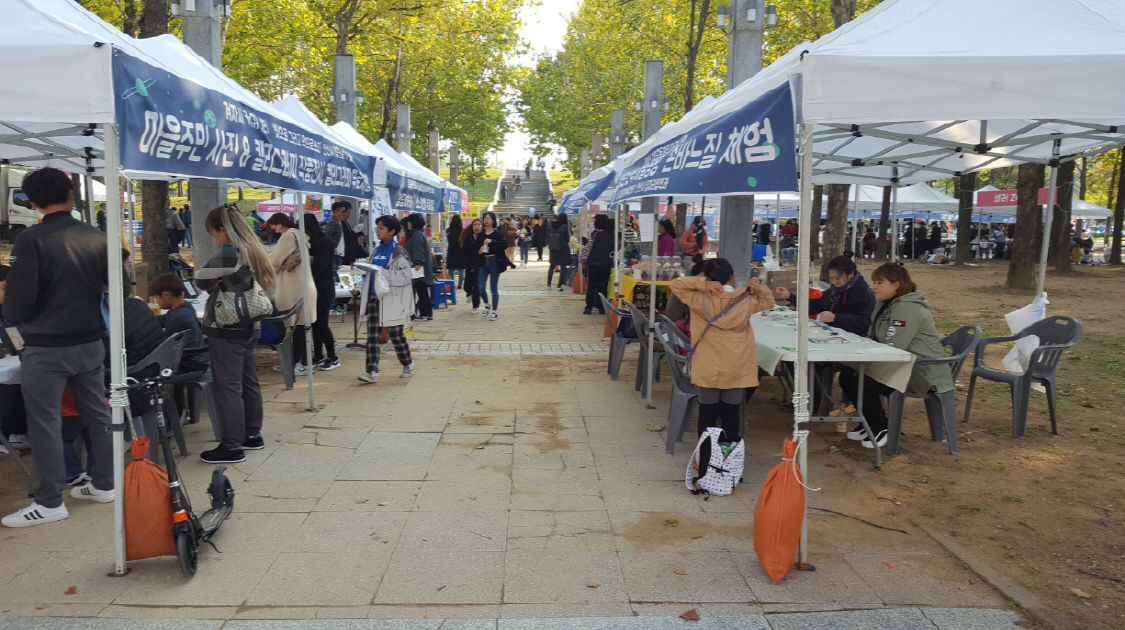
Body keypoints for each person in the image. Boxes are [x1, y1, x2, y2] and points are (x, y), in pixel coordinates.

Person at [2, 168, 117, 527]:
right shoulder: (98, 236)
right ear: (71, 194)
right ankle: (104, 484)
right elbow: (118, 286)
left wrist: (13, 318)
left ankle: (50, 502)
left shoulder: (30, 239)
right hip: (90, 341)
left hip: (46, 346)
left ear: (33, 202)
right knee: (97, 414)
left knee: (45, 422)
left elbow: (17, 302)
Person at [838, 263, 954, 449]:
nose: (874, 286)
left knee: (864, 382)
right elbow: (873, 336)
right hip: (901, 364)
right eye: (874, 282)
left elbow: (895, 345)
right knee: (847, 375)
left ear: (896, 285)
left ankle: (883, 427)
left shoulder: (907, 308)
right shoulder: (884, 304)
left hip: (921, 372)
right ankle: (870, 421)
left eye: (880, 282)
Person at [195, 204, 277, 464]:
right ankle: (251, 434)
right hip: (250, 325)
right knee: (248, 382)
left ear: (222, 229)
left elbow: (201, 279)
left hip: (227, 327)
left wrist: (215, 282)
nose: (215, 239)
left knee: (228, 387)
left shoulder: (230, 250)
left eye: (214, 233)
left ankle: (231, 445)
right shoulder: (253, 248)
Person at [670, 258, 775, 442]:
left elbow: (676, 284)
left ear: (706, 277)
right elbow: (769, 301)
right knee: (731, 412)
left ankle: (706, 462)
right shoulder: (746, 298)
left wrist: (702, 283)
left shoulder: (697, 298)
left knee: (707, 413)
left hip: (706, 364)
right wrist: (758, 287)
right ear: (732, 277)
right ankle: (728, 462)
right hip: (736, 365)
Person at [355, 215, 415, 383]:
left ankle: (408, 363)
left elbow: (405, 277)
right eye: (377, 228)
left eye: (381, 228)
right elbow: (369, 274)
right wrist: (359, 290)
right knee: (372, 336)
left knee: (396, 335)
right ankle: (372, 371)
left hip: (392, 299)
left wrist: (381, 272)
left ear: (392, 231)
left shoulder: (398, 252)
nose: (377, 231)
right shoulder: (375, 250)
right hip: (375, 299)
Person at [266, 213, 317, 374]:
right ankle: (300, 362)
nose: (272, 230)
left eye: (272, 226)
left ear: (278, 224)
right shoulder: (299, 236)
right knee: (302, 329)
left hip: (294, 289)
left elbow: (274, 261)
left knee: (297, 329)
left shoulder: (288, 237)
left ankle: (300, 364)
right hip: (303, 287)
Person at [775, 256, 874, 336]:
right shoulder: (833, 292)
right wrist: (789, 296)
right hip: (832, 336)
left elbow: (865, 323)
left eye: (838, 278)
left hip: (853, 339)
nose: (835, 282)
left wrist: (835, 318)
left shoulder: (864, 293)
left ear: (851, 274)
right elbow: (815, 306)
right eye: (831, 278)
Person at [302, 214, 339, 370]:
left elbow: (319, 267)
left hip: (323, 290)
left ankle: (333, 357)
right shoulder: (313, 243)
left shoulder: (323, 243)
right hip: (315, 289)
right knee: (315, 324)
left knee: (322, 324)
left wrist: (305, 265)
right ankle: (318, 355)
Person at [468, 211, 507, 320]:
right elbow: (474, 249)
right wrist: (479, 252)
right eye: (485, 218)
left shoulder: (497, 234)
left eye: (488, 218)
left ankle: (494, 311)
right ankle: (487, 304)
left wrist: (492, 241)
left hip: (494, 262)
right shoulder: (481, 235)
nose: (486, 220)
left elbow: (504, 244)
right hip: (483, 263)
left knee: (493, 289)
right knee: (481, 287)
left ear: (493, 220)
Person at [403, 213, 435, 321]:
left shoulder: (416, 234)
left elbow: (418, 250)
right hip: (417, 267)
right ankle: (422, 313)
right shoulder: (419, 233)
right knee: (421, 291)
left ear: (411, 223)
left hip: (417, 268)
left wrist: (418, 263)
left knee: (420, 291)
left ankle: (425, 313)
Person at [582, 214, 614, 315]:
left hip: (593, 263)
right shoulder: (612, 236)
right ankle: (601, 307)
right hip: (605, 264)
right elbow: (613, 250)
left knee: (591, 286)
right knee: (603, 286)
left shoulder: (595, 235)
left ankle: (588, 307)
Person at [324, 201, 361, 266]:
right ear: (337, 211)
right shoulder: (333, 223)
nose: (345, 214)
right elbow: (327, 237)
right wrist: (333, 248)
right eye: (343, 211)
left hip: (341, 254)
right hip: (337, 254)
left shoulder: (340, 222)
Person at [459, 218, 485, 312]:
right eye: (474, 225)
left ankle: (475, 306)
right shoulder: (468, 238)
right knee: (467, 285)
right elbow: (464, 253)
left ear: (482, 227)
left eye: (478, 225)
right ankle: (468, 292)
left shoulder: (484, 238)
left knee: (476, 287)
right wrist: (469, 266)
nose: (476, 227)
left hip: (481, 266)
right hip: (470, 265)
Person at [546, 214, 572, 291]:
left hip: (553, 249)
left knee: (551, 267)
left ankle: (548, 285)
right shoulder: (564, 227)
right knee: (563, 267)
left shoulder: (550, 226)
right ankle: (559, 285)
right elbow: (567, 240)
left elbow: (547, 238)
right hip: (562, 249)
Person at [445, 215, 466, 289]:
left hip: (451, 250)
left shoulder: (448, 230)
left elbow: (447, 240)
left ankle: (451, 284)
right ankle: (460, 284)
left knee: (451, 269)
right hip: (461, 251)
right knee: (461, 269)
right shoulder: (463, 231)